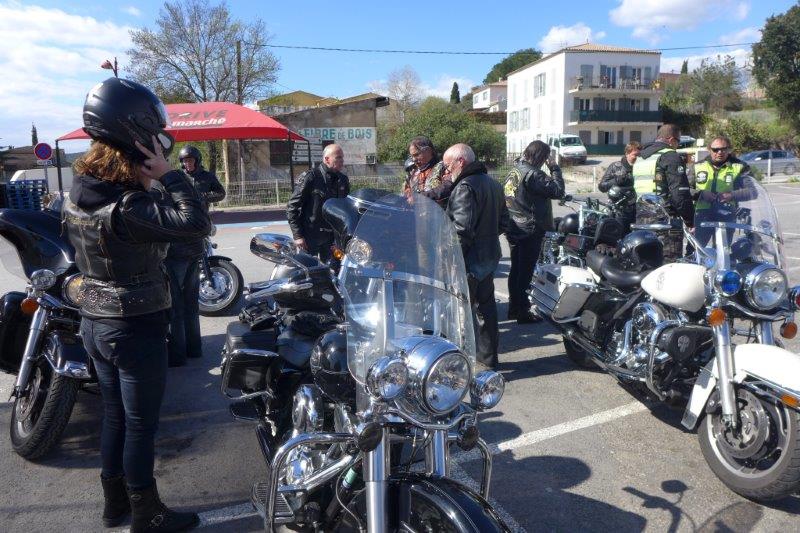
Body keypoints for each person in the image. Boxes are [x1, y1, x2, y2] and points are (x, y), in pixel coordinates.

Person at [63, 77, 211, 532]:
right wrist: (168, 174)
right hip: (133, 323)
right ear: (136, 141)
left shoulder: (79, 192)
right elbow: (195, 224)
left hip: (95, 321)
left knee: (116, 416)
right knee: (141, 424)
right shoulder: (128, 206)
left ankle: (115, 505)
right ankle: (147, 513)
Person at [444, 143, 510, 369]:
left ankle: (456, 364)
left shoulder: (465, 186)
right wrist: (486, 237)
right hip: (489, 257)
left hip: (469, 261)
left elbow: (461, 230)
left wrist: (452, 260)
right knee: (486, 309)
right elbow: (504, 222)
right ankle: (488, 359)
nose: (447, 171)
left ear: (460, 162)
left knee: (458, 312)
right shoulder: (493, 184)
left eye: (448, 166)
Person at [160, 145, 226, 367]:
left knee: (177, 306)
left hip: (176, 251)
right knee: (190, 303)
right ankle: (194, 349)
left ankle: (178, 355)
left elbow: (162, 219)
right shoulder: (181, 181)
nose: (188, 163)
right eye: (185, 160)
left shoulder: (166, 186)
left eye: (190, 160)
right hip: (194, 245)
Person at [505, 140, 565, 323]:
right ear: (542, 156)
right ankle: (522, 311)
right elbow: (558, 191)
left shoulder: (515, 170)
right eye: (546, 157)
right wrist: (554, 168)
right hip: (529, 229)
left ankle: (514, 307)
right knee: (525, 272)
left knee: (516, 269)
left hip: (514, 225)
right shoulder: (534, 174)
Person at [632, 124, 694, 260]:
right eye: (678, 142)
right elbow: (680, 194)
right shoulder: (670, 156)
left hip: (642, 218)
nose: (677, 146)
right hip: (665, 219)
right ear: (671, 140)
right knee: (668, 262)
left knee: (646, 260)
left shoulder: (641, 157)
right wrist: (690, 220)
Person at [287, 144, 350, 262]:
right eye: (338, 158)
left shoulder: (342, 180)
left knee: (334, 270)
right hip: (310, 236)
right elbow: (292, 207)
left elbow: (346, 209)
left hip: (332, 238)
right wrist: (298, 236)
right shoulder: (311, 177)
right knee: (309, 268)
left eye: (342, 157)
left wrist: (342, 237)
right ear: (327, 159)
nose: (342, 161)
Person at [691, 135, 757, 248]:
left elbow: (753, 191)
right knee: (695, 251)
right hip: (701, 215)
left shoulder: (740, 166)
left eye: (723, 149)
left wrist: (731, 195)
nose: (720, 152)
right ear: (709, 149)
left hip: (726, 215)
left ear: (729, 149)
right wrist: (701, 194)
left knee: (722, 253)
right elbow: (685, 190)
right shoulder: (698, 166)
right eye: (715, 150)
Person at [599, 141, 641, 230]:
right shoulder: (615, 166)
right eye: (635, 155)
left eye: (639, 155)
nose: (638, 158)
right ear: (627, 153)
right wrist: (616, 181)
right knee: (619, 234)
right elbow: (602, 187)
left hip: (638, 210)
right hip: (619, 210)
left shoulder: (642, 166)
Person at [404, 136, 452, 205]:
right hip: (416, 211)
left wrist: (421, 197)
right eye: (412, 156)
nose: (414, 159)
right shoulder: (413, 172)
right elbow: (406, 191)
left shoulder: (443, 167)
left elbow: (447, 187)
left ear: (429, 151)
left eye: (417, 155)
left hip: (438, 211)